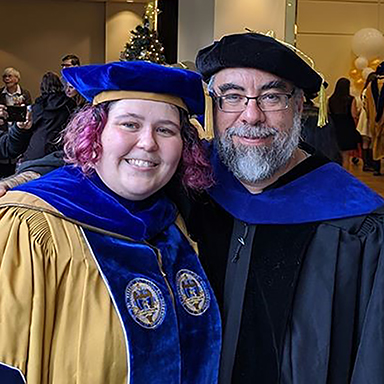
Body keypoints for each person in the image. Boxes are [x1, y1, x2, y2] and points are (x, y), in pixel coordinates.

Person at [0, 61, 221, 383]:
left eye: (166, 129)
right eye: (130, 124)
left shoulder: (172, 222)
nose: (148, 142)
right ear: (94, 133)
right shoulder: (29, 228)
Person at [186, 32, 384, 383]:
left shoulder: (357, 221)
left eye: (272, 97)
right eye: (232, 97)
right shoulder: (190, 188)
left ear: (299, 105)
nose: (251, 115)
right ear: (214, 106)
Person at [21, 71, 76, 162]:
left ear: (42, 86)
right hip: (59, 150)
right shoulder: (70, 104)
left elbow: (29, 127)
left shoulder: (38, 106)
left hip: (37, 151)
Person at [328, 77, 361, 169]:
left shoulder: (331, 99)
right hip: (347, 129)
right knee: (346, 157)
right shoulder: (351, 99)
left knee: (336, 155)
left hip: (334, 129)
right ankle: (345, 176)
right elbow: (354, 115)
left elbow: (328, 113)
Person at [365, 61, 384, 176]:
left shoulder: (369, 86)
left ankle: (376, 168)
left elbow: (366, 105)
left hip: (373, 121)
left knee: (375, 143)